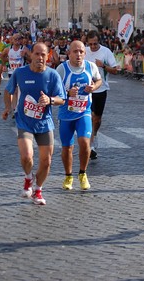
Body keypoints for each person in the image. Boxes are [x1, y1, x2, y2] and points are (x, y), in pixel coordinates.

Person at [2, 43, 66, 205]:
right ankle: (28, 177)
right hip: (24, 121)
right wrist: (8, 108)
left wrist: (50, 100)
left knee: (47, 161)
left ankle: (38, 190)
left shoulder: (52, 75)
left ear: (48, 56)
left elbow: (62, 99)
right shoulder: (20, 73)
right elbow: (8, 90)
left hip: (45, 123)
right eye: (37, 54)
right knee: (27, 156)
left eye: (43, 55)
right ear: (31, 55)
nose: (40, 58)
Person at [56, 41, 101, 191]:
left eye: (81, 51)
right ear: (69, 53)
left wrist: (94, 87)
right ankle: (68, 176)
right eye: (75, 51)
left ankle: (82, 173)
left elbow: (99, 80)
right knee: (67, 147)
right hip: (66, 114)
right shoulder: (62, 69)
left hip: (84, 112)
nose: (78, 54)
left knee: (84, 142)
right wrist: (67, 93)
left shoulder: (90, 67)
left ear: (85, 53)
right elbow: (54, 90)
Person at [85, 30, 119, 159]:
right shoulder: (84, 52)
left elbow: (115, 70)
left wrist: (103, 66)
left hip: (101, 90)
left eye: (95, 44)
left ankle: (95, 133)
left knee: (97, 118)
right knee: (88, 116)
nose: (93, 46)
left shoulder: (106, 52)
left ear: (99, 42)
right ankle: (90, 144)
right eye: (91, 44)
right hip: (87, 90)